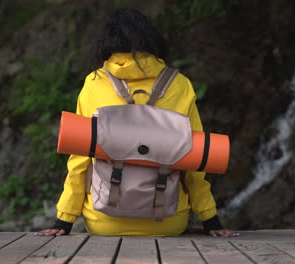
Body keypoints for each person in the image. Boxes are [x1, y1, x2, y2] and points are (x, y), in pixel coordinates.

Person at [35, 8, 237, 237]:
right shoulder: (179, 85)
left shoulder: (94, 83)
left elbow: (80, 160)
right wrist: (211, 221)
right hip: (168, 222)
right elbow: (194, 161)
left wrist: (64, 221)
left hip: (104, 222)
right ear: (151, 40)